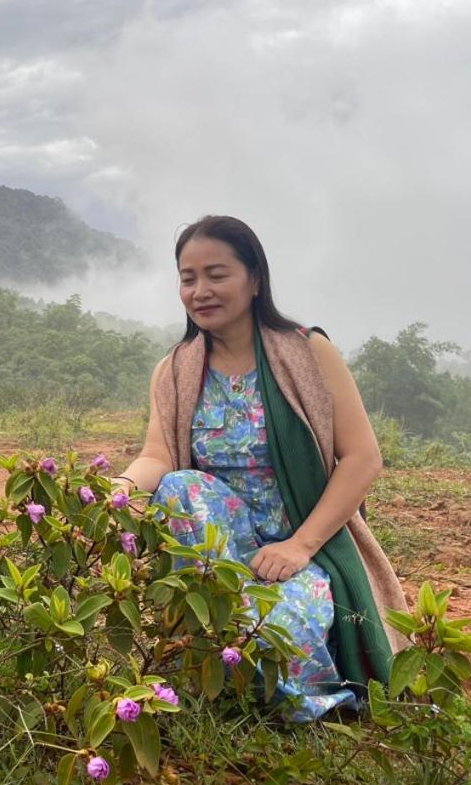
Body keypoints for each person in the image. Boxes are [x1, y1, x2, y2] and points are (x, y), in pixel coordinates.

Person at [111, 215, 406, 721]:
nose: (200, 291)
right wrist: (113, 491)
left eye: (216, 275)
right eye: (188, 278)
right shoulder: (175, 368)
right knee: (180, 486)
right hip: (219, 550)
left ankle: (306, 694)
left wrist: (299, 546)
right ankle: (211, 635)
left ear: (254, 280)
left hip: (304, 545)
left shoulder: (308, 352)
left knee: (271, 636)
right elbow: (158, 457)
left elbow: (363, 458)